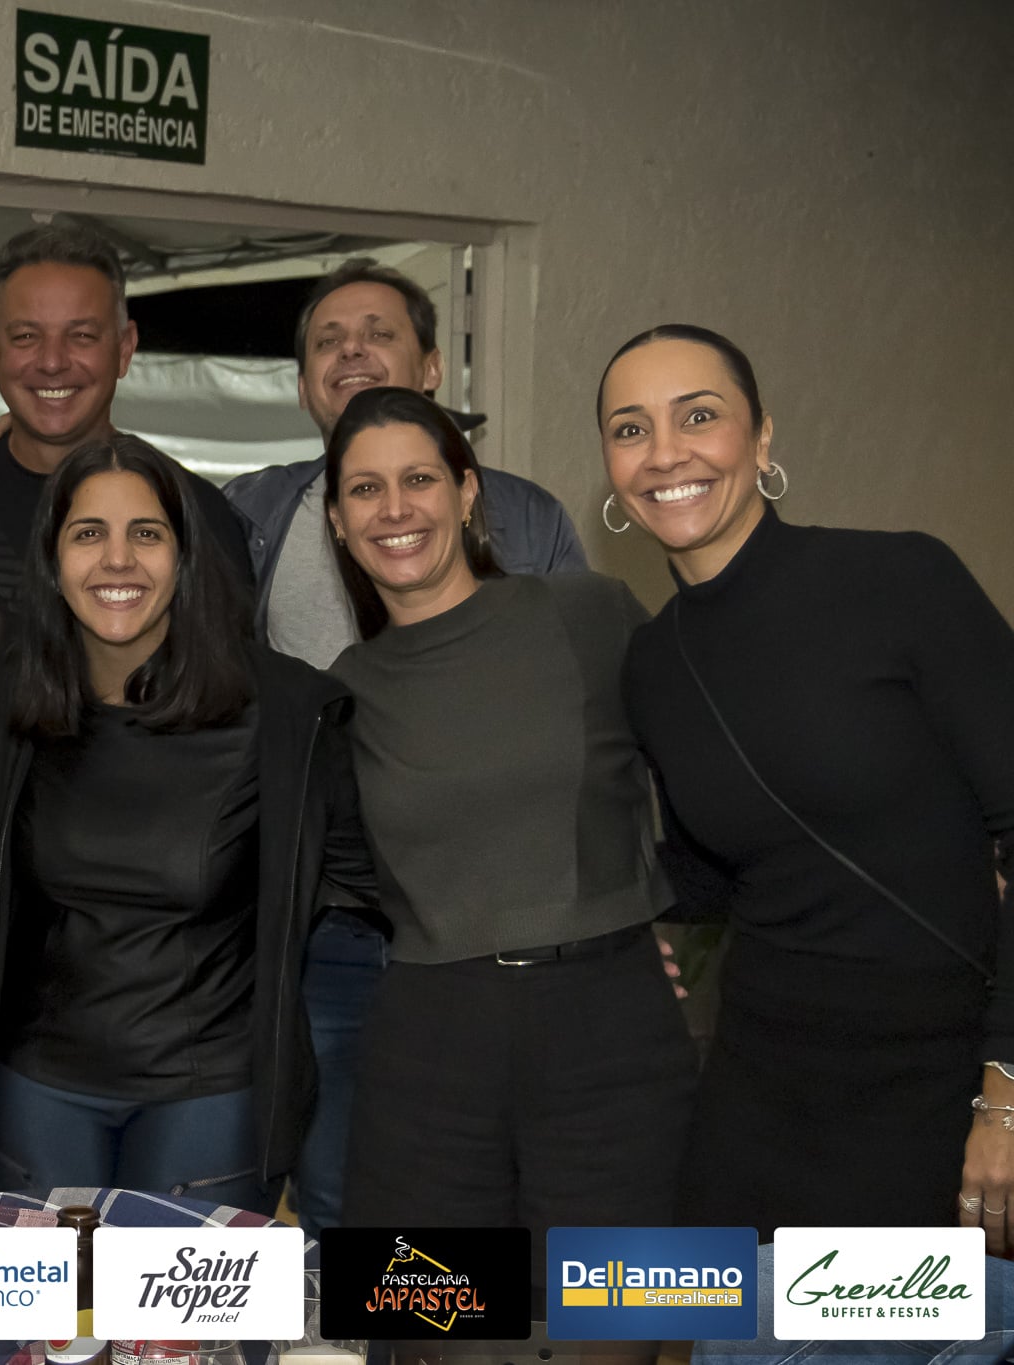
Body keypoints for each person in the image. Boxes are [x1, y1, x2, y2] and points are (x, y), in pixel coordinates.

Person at [601, 324, 1014, 1241]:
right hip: (760, 1085)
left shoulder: (902, 579)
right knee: (708, 1315)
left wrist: (1007, 1092)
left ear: (762, 438)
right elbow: (716, 869)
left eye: (697, 416)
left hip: (935, 1080)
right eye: (630, 429)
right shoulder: (653, 664)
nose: (664, 453)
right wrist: (617, 926)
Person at [222, 256, 590, 1235]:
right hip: (330, 925)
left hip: (490, 928)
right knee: (344, 1190)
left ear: (431, 368)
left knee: (505, 1198)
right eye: (327, 340)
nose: (351, 351)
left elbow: (587, 725)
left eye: (377, 332)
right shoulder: (247, 513)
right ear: (304, 381)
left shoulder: (527, 517)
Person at [324, 386, 693, 1300]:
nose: (395, 508)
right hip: (431, 1051)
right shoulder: (341, 692)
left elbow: (714, 781)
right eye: (365, 489)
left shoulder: (588, 613)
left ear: (466, 491)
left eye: (419, 479)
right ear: (336, 521)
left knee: (612, 1321)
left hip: (610, 1034)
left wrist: (646, 915)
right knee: (432, 1324)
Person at [0, 433, 372, 1215]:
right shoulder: (6, 705)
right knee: (53, 1304)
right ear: (51, 558)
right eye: (89, 533)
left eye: (146, 533)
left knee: (169, 1307)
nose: (117, 559)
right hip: (38, 1087)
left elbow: (375, 882)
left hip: (212, 1094)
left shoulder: (286, 713)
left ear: (187, 556)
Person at [0, 224, 250, 610]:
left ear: (124, 350)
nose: (52, 362)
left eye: (82, 336)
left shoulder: (191, 510)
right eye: (26, 336)